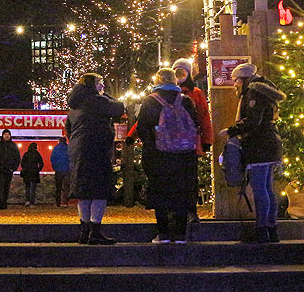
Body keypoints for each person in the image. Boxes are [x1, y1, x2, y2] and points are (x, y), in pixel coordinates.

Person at [219, 63, 286, 243]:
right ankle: (272, 229)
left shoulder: (253, 93)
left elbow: (253, 121)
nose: (234, 84)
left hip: (259, 146)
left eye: (236, 80)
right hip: (270, 143)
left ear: (244, 79)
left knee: (260, 189)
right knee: (267, 188)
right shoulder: (264, 90)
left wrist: (232, 131)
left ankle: (262, 230)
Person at [135, 68, 201, 243]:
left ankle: (163, 233)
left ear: (157, 81)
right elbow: (195, 124)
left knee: (160, 192)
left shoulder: (150, 101)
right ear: (174, 81)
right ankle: (180, 233)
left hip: (159, 155)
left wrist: (152, 145)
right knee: (182, 192)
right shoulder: (185, 100)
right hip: (184, 155)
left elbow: (142, 127)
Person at [66, 72, 126, 245]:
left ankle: (84, 232)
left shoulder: (75, 105)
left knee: (83, 191)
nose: (103, 85)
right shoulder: (97, 100)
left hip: (79, 152)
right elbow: (118, 108)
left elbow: (69, 129)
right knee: (100, 190)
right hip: (97, 150)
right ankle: (95, 231)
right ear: (92, 84)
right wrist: (105, 95)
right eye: (100, 82)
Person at [174, 57, 214, 230]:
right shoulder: (169, 92)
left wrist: (206, 140)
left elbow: (204, 117)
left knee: (190, 178)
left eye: (183, 71)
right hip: (173, 143)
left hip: (189, 142)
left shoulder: (196, 93)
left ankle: (191, 210)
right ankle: (178, 212)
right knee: (176, 178)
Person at [0, 129, 21, 209]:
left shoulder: (13, 146)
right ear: (2, 136)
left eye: (8, 134)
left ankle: (4, 202)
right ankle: (1, 203)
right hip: (0, 169)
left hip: (9, 170)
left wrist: (13, 168)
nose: (7, 136)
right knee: (0, 187)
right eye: (5, 134)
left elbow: (17, 158)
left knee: (6, 187)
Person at [50, 136, 71, 206]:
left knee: (58, 187)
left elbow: (52, 159)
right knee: (66, 187)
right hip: (67, 170)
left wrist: (55, 168)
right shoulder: (69, 148)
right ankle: (65, 202)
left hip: (58, 170)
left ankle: (58, 202)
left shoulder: (56, 148)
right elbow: (71, 159)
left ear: (59, 141)